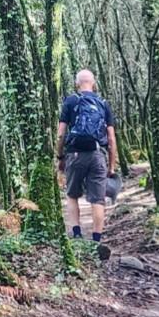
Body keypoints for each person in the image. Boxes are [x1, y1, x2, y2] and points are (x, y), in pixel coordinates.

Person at [57, 69, 119, 261]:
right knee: (97, 199)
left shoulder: (70, 101)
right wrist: (111, 166)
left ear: (77, 84)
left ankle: (76, 235)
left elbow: (60, 134)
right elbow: (110, 137)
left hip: (74, 154)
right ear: (93, 83)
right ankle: (96, 241)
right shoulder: (103, 104)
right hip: (97, 154)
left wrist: (60, 156)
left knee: (72, 194)